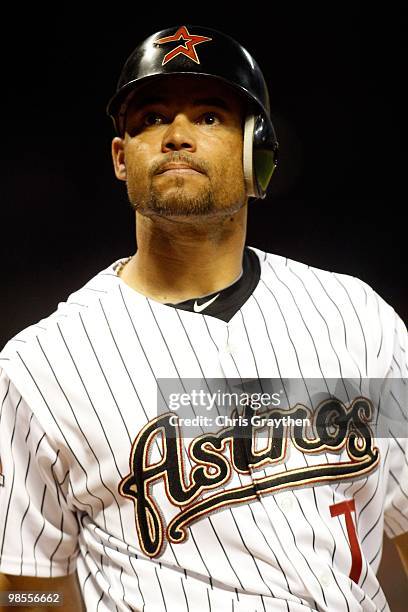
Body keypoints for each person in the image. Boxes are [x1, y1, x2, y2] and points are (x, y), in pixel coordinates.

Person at [0, 24, 407, 612]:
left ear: (255, 150)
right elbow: (28, 587)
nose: (177, 136)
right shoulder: (39, 366)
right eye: (152, 117)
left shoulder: (356, 318)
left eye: (210, 116)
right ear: (121, 157)